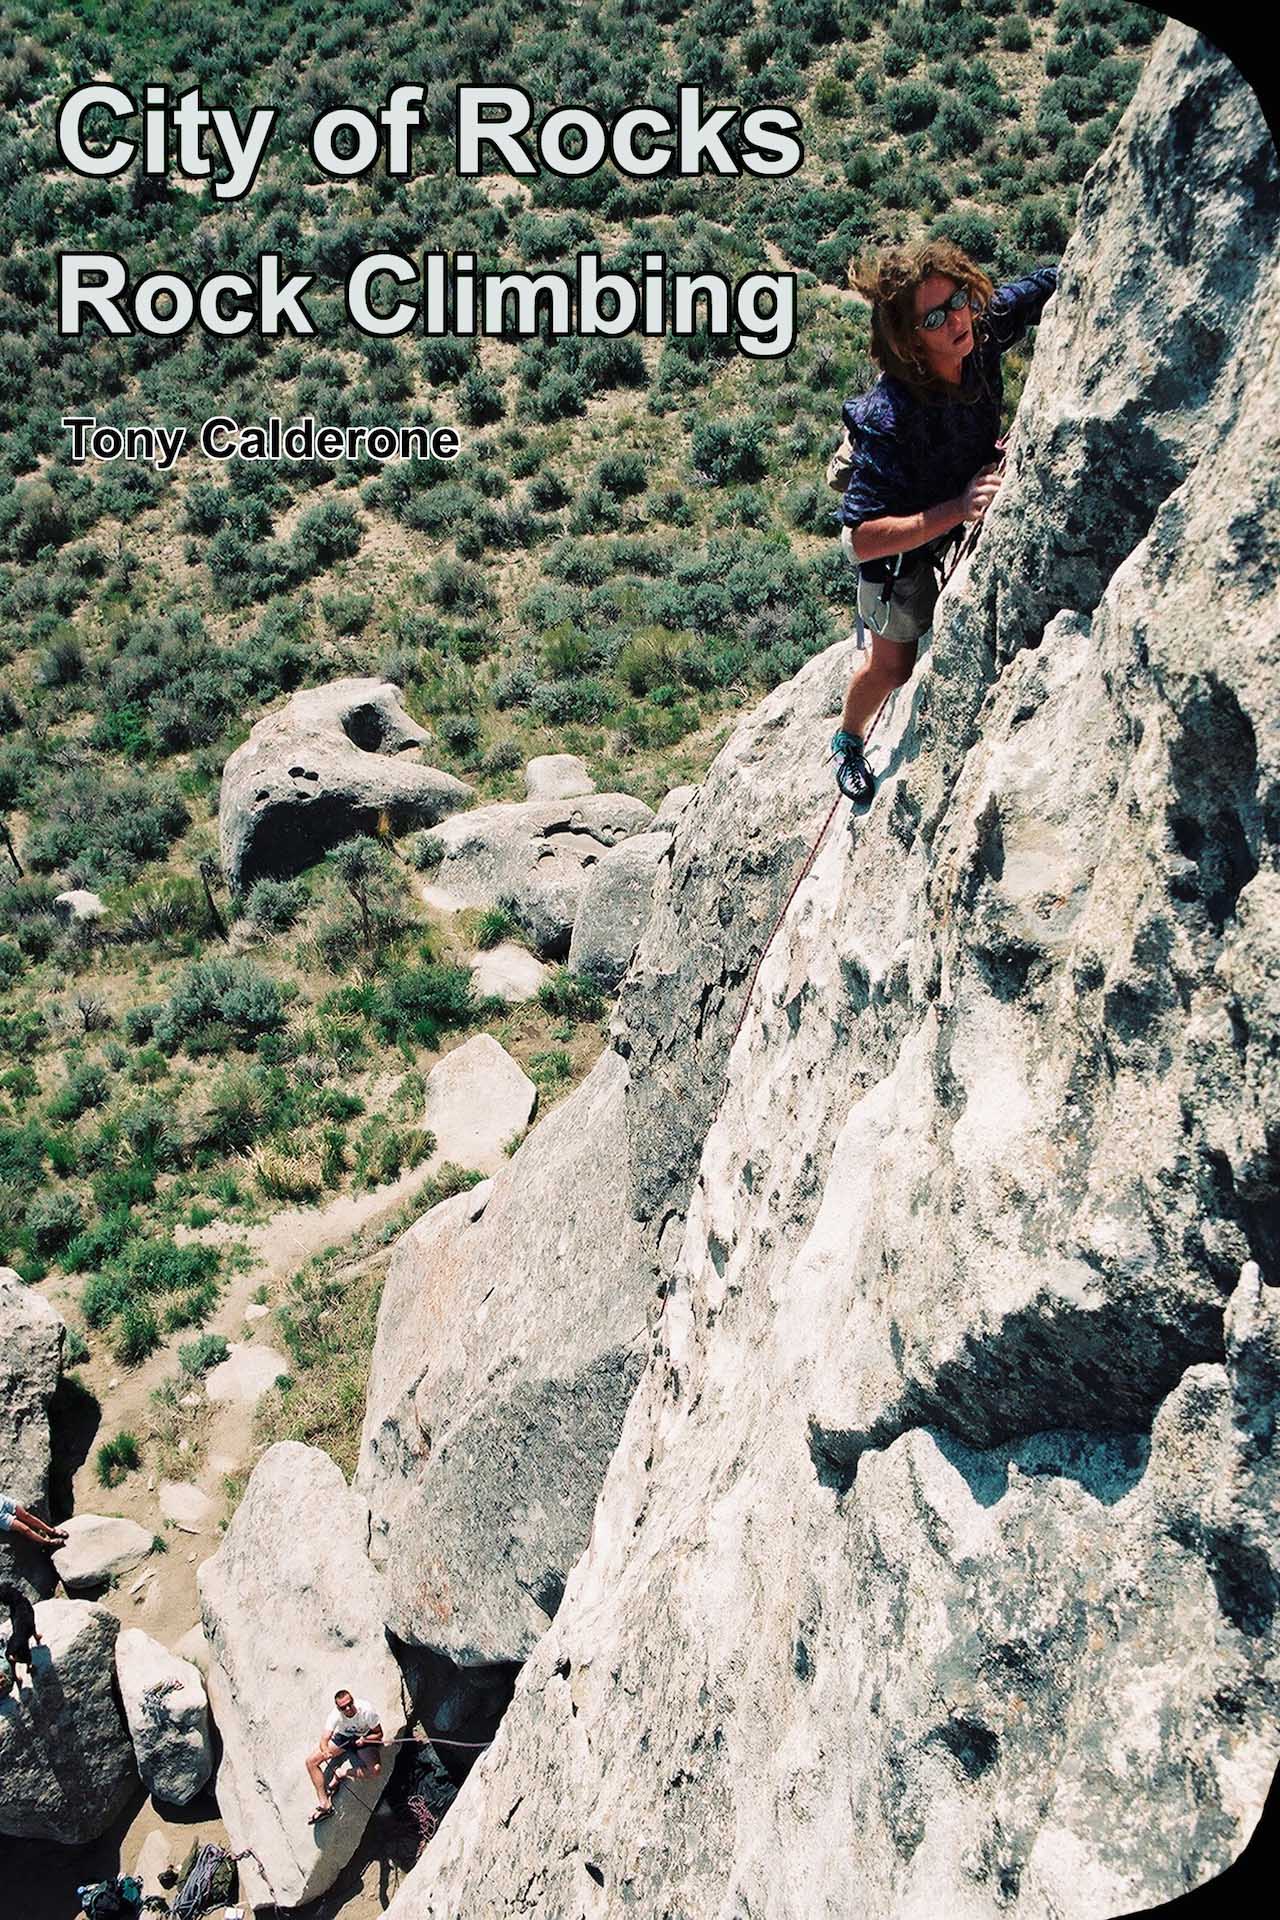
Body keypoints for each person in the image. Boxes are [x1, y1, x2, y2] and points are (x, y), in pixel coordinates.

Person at [829, 240, 1059, 803]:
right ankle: (847, 740)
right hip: (898, 548)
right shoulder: (890, 418)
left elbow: (1050, 282)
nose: (957, 320)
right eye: (935, 317)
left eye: (959, 300)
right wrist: (957, 507)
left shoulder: (979, 329)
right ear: (910, 340)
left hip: (952, 499)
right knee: (894, 668)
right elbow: (861, 539)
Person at [305, 1687, 384, 1823]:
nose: (348, 1709)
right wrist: (325, 1751)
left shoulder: (366, 1710)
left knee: (375, 1770)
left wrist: (365, 1739)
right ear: (338, 1708)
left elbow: (379, 1734)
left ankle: (341, 1773)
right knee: (311, 1762)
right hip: (344, 1738)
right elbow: (324, 1739)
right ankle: (325, 1804)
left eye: (350, 1704)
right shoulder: (335, 1715)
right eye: (343, 1708)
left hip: (363, 1738)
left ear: (353, 1700)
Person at [0, 1580, 42, 1684]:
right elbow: (32, 1624)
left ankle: (15, 1675)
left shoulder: (14, 1609)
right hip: (24, 1635)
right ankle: (29, 1667)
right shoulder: (24, 1603)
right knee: (26, 1631)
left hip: (17, 1640)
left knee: (13, 1649)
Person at [0, 1493, 67, 1550]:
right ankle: (47, 1543)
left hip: (2, 1500)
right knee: (25, 1529)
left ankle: (51, 1531)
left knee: (26, 1515)